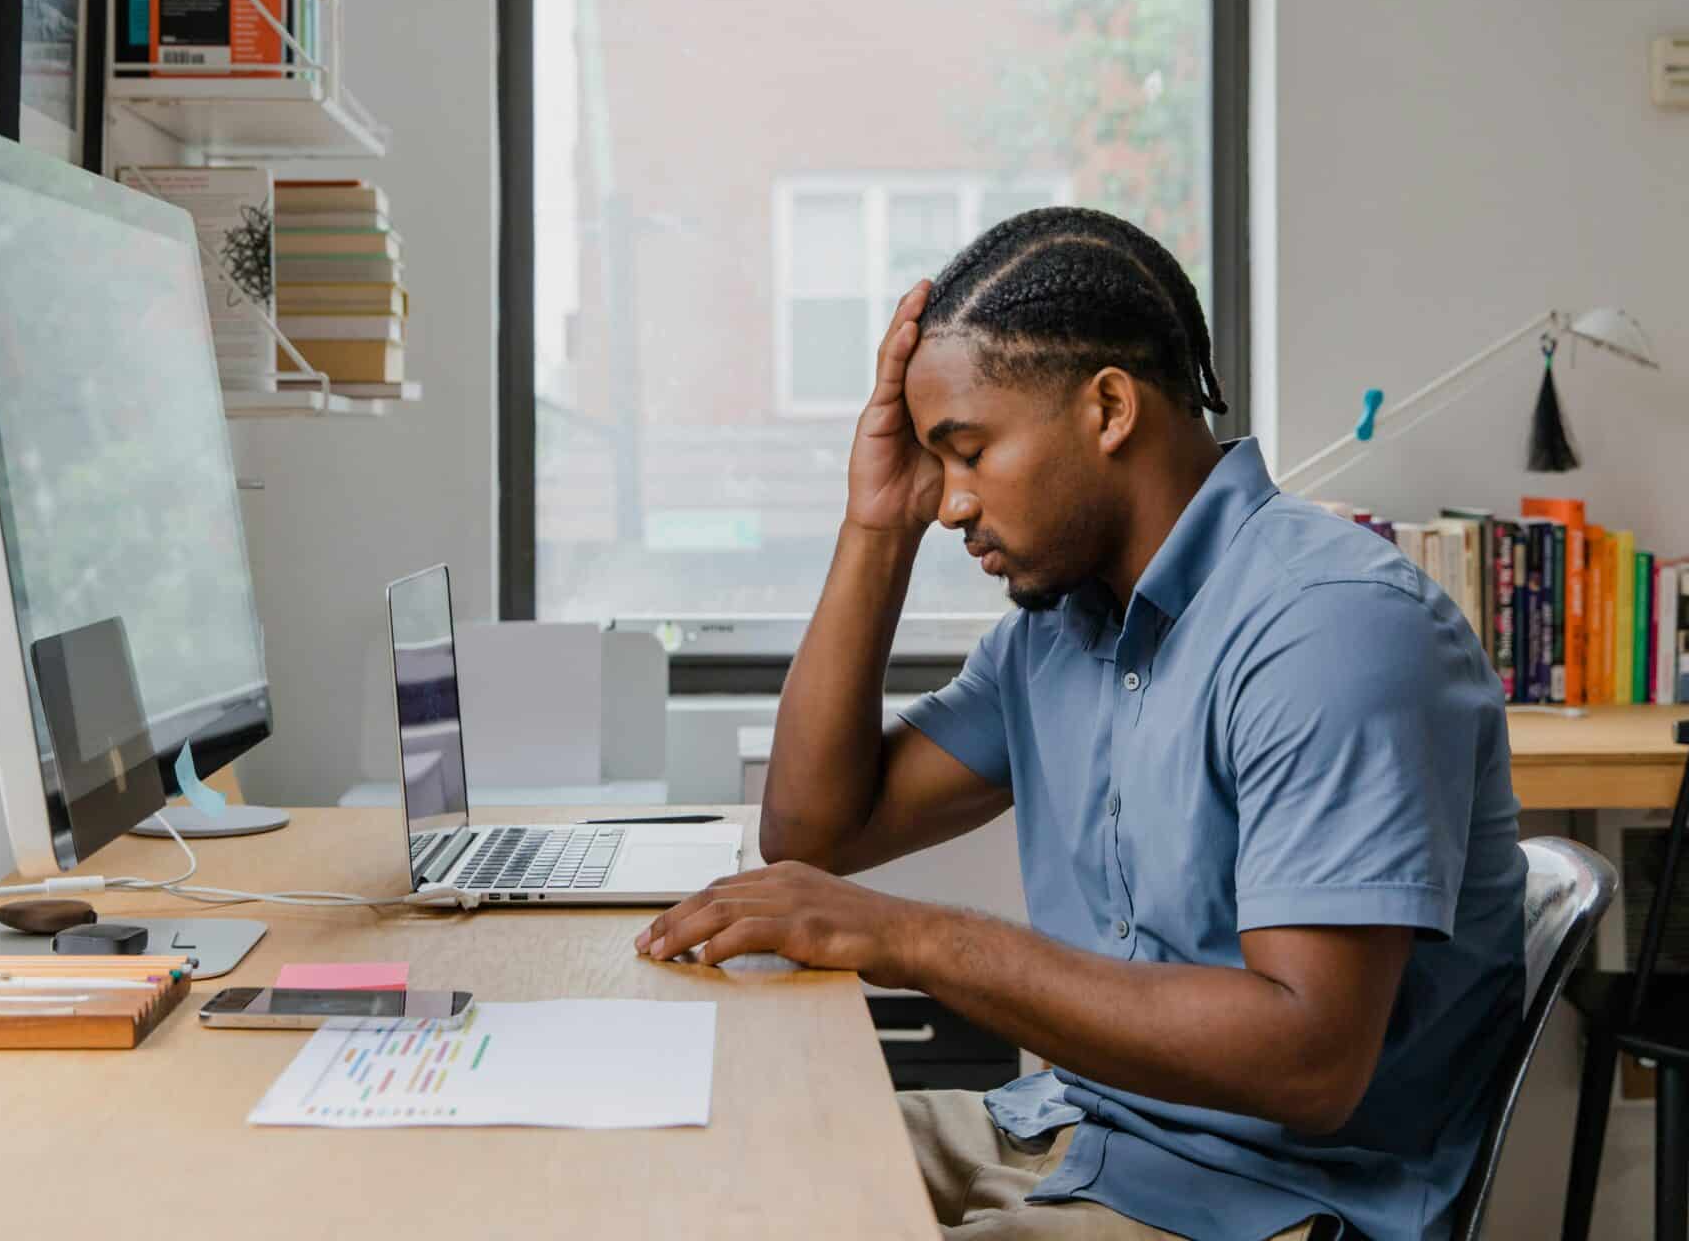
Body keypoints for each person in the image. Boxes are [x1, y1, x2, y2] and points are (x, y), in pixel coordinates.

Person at [635, 208, 1526, 1240]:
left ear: (1108, 407)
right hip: (1071, 1128)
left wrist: (918, 936)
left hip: (1260, 1201)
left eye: (967, 452)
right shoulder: (1060, 630)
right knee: (706, 1166)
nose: (950, 504)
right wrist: (877, 525)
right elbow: (816, 830)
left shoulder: (1330, 628)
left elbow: (1308, 1058)